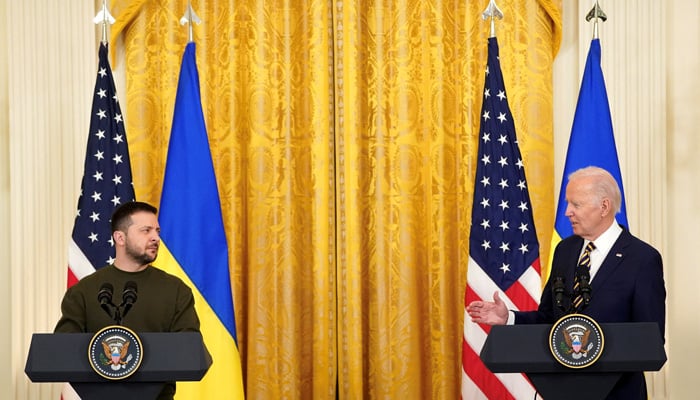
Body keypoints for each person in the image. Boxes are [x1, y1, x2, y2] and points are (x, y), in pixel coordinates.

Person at [466, 166, 666, 399]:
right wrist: (508, 317)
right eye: (568, 204)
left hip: (618, 393)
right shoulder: (566, 250)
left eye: (576, 204)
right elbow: (550, 318)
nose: (567, 212)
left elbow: (650, 336)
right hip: (562, 389)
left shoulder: (642, 259)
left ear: (604, 206)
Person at [55, 201, 200, 400]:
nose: (155, 238)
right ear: (120, 237)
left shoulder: (176, 290)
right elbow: (64, 350)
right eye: (146, 230)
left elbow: (188, 349)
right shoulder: (83, 291)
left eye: (157, 231)